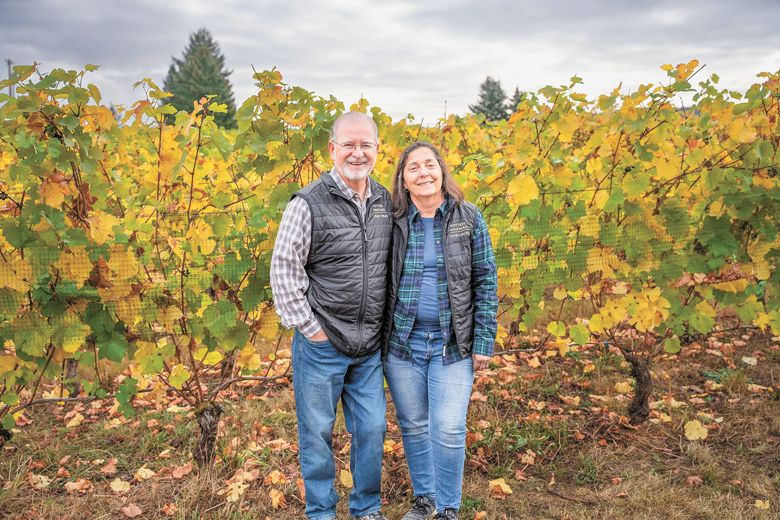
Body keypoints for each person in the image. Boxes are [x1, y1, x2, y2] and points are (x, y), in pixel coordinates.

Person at [270, 112, 393, 520]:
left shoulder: (383, 201)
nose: (357, 153)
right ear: (332, 149)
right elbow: (284, 270)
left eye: (366, 145)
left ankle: (366, 509)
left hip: (368, 346)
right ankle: (321, 512)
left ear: (378, 149)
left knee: (372, 430)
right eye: (349, 145)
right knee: (317, 434)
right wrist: (311, 329)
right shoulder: (307, 203)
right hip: (322, 345)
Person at [384, 141, 498, 520]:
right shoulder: (394, 220)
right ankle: (425, 500)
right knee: (414, 426)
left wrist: (483, 340)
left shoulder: (468, 217)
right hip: (404, 344)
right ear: (403, 179)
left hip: (453, 344)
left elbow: (486, 279)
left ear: (441, 171)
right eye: (413, 168)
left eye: (429, 165)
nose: (423, 173)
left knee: (448, 428)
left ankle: (448, 507)